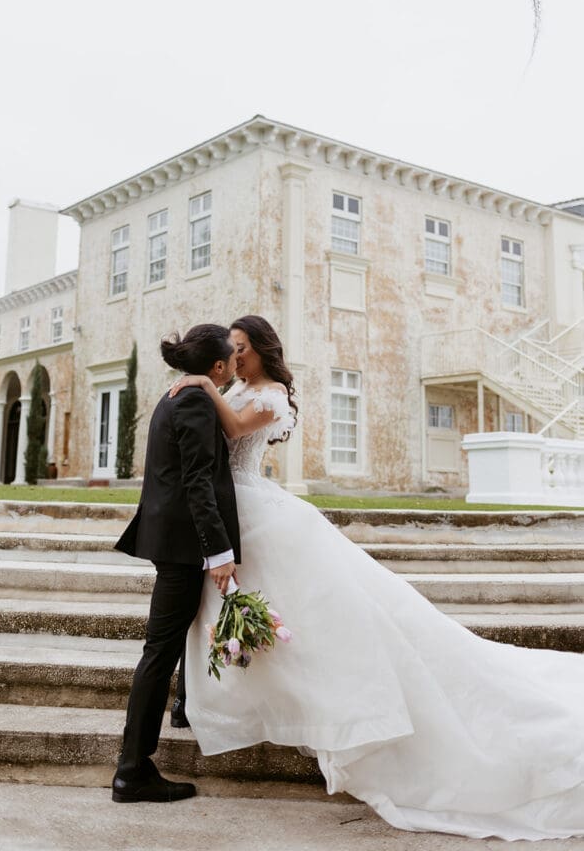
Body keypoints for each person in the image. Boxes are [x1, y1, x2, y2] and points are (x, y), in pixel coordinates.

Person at [168, 314, 584, 841]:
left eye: (243, 347)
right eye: (233, 348)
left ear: (261, 350)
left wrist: (204, 382)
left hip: (255, 508)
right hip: (236, 509)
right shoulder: (239, 385)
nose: (236, 355)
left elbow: (232, 428)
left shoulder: (266, 394)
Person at [112, 323, 240, 803]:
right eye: (230, 359)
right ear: (218, 366)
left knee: (163, 648)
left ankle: (171, 721)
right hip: (184, 548)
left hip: (176, 544)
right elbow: (197, 482)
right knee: (158, 652)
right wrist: (219, 552)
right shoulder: (194, 401)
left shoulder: (176, 395)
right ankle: (132, 770)